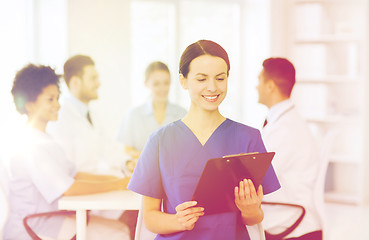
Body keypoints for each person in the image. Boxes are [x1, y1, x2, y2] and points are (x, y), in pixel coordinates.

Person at [127, 40, 281, 240]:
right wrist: (177, 221)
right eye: (201, 79)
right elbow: (149, 217)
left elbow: (255, 217)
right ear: (183, 81)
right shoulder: (160, 141)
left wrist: (250, 210)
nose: (212, 87)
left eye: (220, 78)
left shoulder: (248, 138)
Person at [3, 64, 130, 240]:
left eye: (57, 98)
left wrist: (118, 180)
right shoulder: (30, 145)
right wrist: (117, 184)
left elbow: (75, 174)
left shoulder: (46, 139)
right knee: (120, 232)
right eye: (50, 99)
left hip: (51, 218)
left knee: (121, 226)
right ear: (30, 104)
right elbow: (69, 188)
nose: (57, 105)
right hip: (34, 226)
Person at [256, 57, 323, 239]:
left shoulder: (284, 130)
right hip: (293, 220)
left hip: (294, 227)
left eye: (259, 80)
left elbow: (256, 178)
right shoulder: (286, 122)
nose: (256, 86)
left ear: (270, 86)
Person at [47, 55, 128, 174]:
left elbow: (108, 150)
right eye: (93, 78)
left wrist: (128, 163)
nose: (99, 83)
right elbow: (67, 170)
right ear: (75, 82)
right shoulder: (60, 118)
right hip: (81, 188)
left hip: (96, 184)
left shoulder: (93, 116)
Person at [116, 61, 186, 173]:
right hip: (143, 173)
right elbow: (126, 149)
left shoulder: (182, 114)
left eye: (166, 83)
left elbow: (186, 150)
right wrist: (149, 158)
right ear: (146, 84)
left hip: (174, 174)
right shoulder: (133, 114)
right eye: (156, 84)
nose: (162, 88)